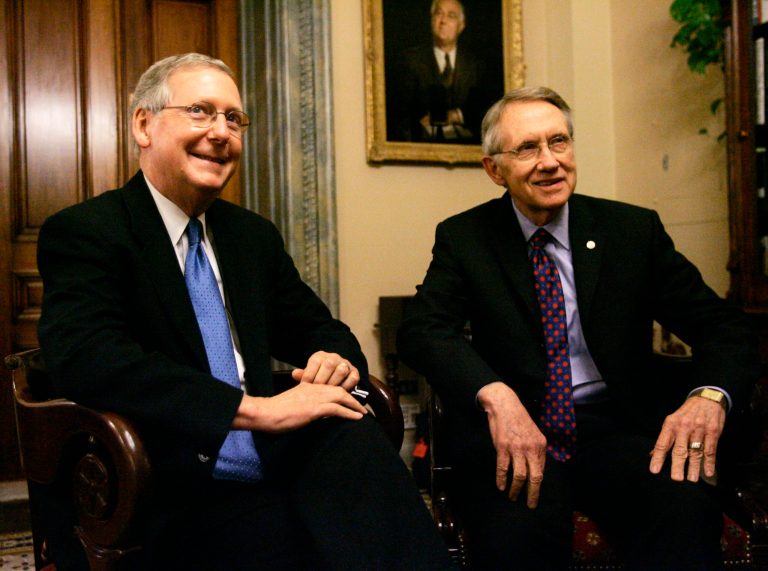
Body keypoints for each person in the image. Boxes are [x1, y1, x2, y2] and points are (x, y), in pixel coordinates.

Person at [37, 53, 454, 571]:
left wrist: (334, 362)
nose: (221, 132)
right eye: (201, 111)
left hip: (272, 460)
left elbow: (322, 329)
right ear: (144, 124)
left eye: (233, 119)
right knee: (307, 543)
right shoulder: (88, 232)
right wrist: (260, 410)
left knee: (352, 436)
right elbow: (89, 359)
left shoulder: (250, 236)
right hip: (165, 481)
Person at [397, 86, 760, 570]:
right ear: (494, 170)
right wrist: (495, 394)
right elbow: (422, 330)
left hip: (619, 430)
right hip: (517, 435)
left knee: (684, 512)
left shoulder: (631, 231)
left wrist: (709, 396)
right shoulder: (466, 238)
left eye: (559, 142)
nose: (549, 161)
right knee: (513, 540)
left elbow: (724, 327)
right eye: (527, 148)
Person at [389, 0, 493, 143]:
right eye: (439, 14)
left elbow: (484, 111)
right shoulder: (410, 61)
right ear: (431, 20)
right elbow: (399, 114)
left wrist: (456, 116)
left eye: (451, 15)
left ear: (461, 26)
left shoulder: (476, 65)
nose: (443, 20)